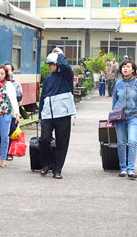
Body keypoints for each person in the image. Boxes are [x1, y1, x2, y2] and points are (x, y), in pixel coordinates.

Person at [39, 47, 76, 179]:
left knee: (62, 143)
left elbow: (66, 66)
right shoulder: (48, 78)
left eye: (51, 65)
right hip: (48, 115)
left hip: (63, 114)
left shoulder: (66, 76)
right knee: (43, 140)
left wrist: (60, 54)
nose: (49, 67)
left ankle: (57, 169)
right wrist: (40, 116)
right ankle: (46, 164)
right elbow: (43, 97)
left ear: (57, 64)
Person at [0, 62, 23, 161]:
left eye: (9, 70)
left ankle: (7, 152)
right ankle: (4, 150)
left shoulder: (16, 84)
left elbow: (19, 98)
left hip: (11, 113)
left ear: (12, 71)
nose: (7, 72)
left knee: (10, 132)